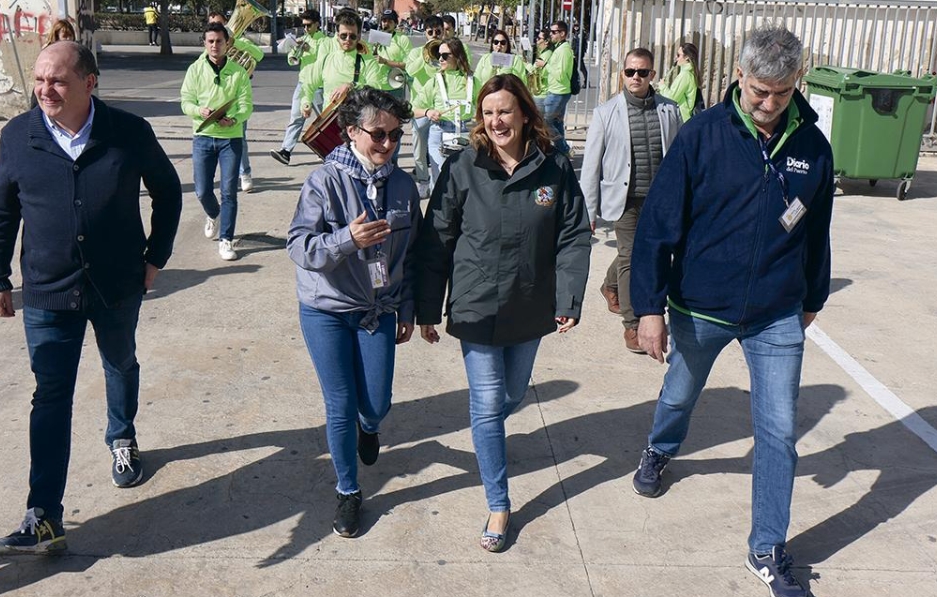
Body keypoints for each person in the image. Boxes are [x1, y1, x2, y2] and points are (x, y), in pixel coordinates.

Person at [628, 25, 833, 597]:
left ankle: (767, 546)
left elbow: (817, 231)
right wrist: (649, 308)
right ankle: (660, 449)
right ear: (738, 76)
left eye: (781, 93)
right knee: (678, 396)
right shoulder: (701, 136)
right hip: (702, 307)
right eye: (758, 91)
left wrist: (812, 297)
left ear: (798, 82)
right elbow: (656, 227)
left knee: (778, 431)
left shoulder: (812, 146)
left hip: (776, 313)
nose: (768, 105)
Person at [0, 41, 182, 554]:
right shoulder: (18, 136)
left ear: (90, 83)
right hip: (47, 289)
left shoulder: (128, 132)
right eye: (40, 80)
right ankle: (44, 513)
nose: (45, 89)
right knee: (50, 396)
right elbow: (1, 210)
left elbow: (168, 190)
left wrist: (155, 255)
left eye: (58, 80)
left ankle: (122, 438)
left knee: (119, 363)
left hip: (116, 283)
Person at [414, 74, 591, 553]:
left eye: (505, 111)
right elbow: (437, 241)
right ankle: (499, 501)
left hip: (530, 303)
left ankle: (487, 433)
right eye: (488, 113)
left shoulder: (554, 167)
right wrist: (427, 307)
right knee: (488, 404)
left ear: (525, 114)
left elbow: (574, 234)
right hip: (475, 304)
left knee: (511, 396)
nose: (496, 121)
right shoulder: (462, 167)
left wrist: (569, 296)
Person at [287, 87, 421, 539]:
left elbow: (410, 254)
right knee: (339, 404)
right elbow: (300, 247)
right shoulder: (323, 182)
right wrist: (347, 239)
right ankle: (348, 491)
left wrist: (407, 306)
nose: (387, 143)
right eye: (378, 134)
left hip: (377, 310)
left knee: (376, 403)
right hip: (325, 309)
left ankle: (371, 426)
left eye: (395, 135)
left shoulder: (402, 185)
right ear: (350, 132)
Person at [581, 48, 681, 353]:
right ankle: (632, 324)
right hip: (622, 200)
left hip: (659, 200)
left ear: (652, 74)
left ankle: (609, 285)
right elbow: (591, 166)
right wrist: (589, 211)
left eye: (642, 72)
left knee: (643, 253)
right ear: (623, 74)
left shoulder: (670, 110)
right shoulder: (605, 112)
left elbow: (678, 158)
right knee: (630, 258)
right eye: (630, 72)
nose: (635, 77)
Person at [181, 22, 253, 261]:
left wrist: (234, 119)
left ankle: (226, 240)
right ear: (204, 43)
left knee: (229, 192)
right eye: (210, 41)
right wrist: (198, 111)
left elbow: (246, 105)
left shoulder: (239, 72)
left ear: (227, 43)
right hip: (202, 136)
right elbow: (185, 101)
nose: (214, 45)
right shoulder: (195, 69)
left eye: (219, 41)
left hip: (230, 139)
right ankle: (214, 214)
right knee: (202, 190)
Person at [299, 12, 385, 143]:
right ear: (337, 36)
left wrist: (351, 86)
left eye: (353, 36)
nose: (348, 40)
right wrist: (306, 102)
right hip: (331, 123)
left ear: (359, 36)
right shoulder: (327, 59)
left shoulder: (367, 60)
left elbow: (376, 87)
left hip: (358, 124)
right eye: (344, 36)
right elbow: (308, 84)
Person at [207, 11, 264, 193]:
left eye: (219, 24)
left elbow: (259, 55)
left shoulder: (240, 41)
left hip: (237, 98)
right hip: (215, 97)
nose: (216, 27)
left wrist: (235, 42)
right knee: (213, 139)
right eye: (212, 24)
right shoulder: (210, 45)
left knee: (239, 137)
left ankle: (245, 174)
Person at [412, 38, 475, 183]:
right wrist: (427, 112)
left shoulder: (472, 81)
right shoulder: (435, 80)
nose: (440, 59)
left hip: (465, 132)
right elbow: (412, 109)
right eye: (439, 55)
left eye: (445, 55)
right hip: (439, 133)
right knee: (441, 179)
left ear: (457, 56)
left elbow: (485, 106)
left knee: (463, 180)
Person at [271, 9, 327, 166]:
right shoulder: (303, 38)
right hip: (302, 84)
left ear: (317, 24)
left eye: (309, 25)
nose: (307, 29)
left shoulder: (324, 41)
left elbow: (325, 58)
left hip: (318, 85)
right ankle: (286, 151)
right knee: (295, 118)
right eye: (304, 26)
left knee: (323, 121)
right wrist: (294, 49)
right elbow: (292, 61)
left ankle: (328, 150)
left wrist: (311, 49)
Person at [403, 15, 445, 198]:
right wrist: (425, 54)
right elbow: (410, 71)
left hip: (440, 107)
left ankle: (439, 181)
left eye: (438, 31)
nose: (434, 35)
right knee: (419, 148)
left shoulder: (446, 51)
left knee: (438, 148)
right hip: (420, 107)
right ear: (425, 33)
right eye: (431, 32)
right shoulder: (415, 52)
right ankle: (423, 180)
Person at [367, 10, 411, 162]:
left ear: (395, 23)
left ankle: (393, 160)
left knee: (393, 126)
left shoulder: (402, 39)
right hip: (376, 86)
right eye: (384, 20)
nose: (386, 23)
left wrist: (386, 62)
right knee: (375, 125)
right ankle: (377, 157)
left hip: (394, 87)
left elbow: (408, 64)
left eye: (389, 21)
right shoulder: (376, 38)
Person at [534, 20, 574, 154]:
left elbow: (561, 75)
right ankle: (561, 152)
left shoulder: (564, 50)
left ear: (562, 33)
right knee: (556, 123)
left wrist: (545, 65)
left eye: (554, 32)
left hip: (558, 92)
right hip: (557, 91)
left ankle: (564, 149)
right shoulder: (560, 48)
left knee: (546, 122)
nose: (550, 34)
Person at [659, 42, 702, 122]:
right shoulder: (689, 73)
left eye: (678, 55)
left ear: (687, 57)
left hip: (681, 118)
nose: (676, 57)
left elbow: (672, 98)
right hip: (682, 117)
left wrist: (662, 87)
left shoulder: (685, 75)